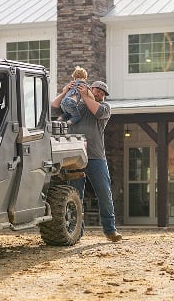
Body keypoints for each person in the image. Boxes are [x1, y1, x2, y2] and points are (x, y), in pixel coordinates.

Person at [51, 80, 122, 242]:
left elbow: (96, 111)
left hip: (96, 157)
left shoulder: (104, 108)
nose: (100, 94)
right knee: (75, 196)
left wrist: (86, 95)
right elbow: (52, 109)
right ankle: (77, 232)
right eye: (98, 90)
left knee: (104, 194)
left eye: (103, 93)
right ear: (91, 88)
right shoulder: (75, 107)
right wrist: (65, 92)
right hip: (74, 159)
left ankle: (110, 230)